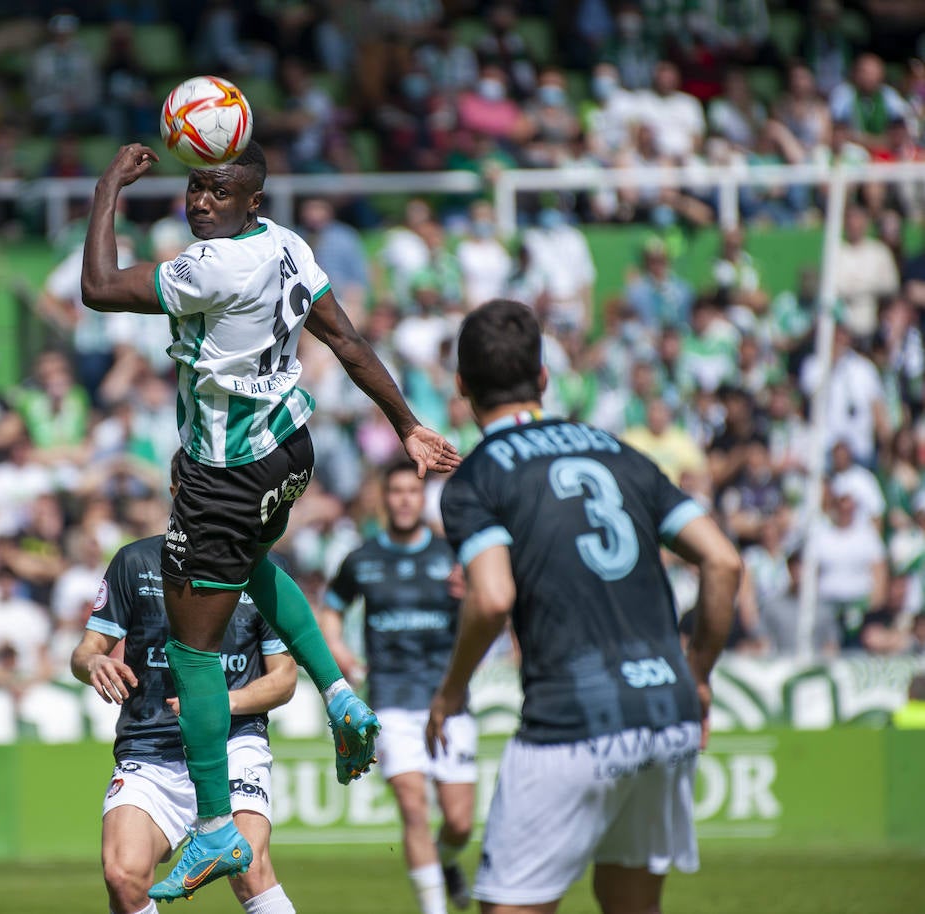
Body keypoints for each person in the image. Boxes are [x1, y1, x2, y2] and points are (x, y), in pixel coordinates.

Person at [81, 141, 460, 900]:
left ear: (250, 199)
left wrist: (108, 188)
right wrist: (408, 425)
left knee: (194, 647)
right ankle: (339, 690)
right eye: (194, 188)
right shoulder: (288, 246)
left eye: (217, 191)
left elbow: (96, 287)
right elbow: (346, 341)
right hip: (289, 452)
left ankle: (216, 826)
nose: (199, 202)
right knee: (251, 569)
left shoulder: (212, 266)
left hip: (223, 474)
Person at [427, 300, 742, 914]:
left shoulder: (477, 478)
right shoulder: (623, 453)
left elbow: (491, 599)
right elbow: (724, 561)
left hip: (570, 721)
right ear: (544, 378)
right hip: (666, 711)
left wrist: (451, 692)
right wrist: (697, 673)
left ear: (461, 387)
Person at [71, 452, 299, 914]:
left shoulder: (258, 572)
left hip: (232, 741)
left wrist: (215, 704)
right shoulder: (134, 562)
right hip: (150, 748)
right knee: (123, 876)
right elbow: (84, 652)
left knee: (248, 866)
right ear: (177, 493)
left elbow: (285, 679)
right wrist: (93, 664)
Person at [320, 462, 477, 914]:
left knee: (461, 824)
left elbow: (494, 603)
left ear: (422, 497)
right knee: (412, 807)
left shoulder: (454, 556)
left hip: (448, 700)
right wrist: (340, 653)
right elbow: (330, 608)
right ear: (384, 498)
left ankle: (447, 863)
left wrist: (472, 593)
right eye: (397, 491)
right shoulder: (363, 559)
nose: (405, 499)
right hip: (390, 700)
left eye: (413, 491)